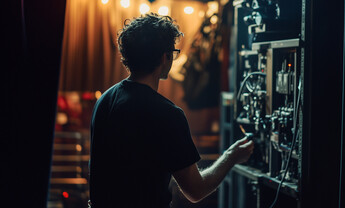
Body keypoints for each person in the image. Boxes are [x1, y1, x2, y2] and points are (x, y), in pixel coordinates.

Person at [88, 13, 254, 208]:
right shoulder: (168, 114)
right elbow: (196, 190)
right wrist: (231, 156)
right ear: (165, 57)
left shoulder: (105, 100)